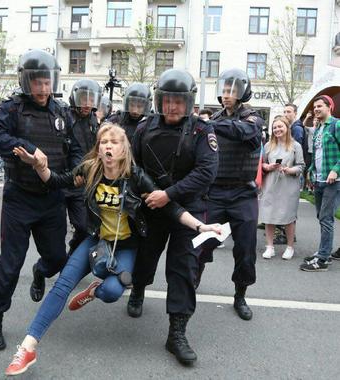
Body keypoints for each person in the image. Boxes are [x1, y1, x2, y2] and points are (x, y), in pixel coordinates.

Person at [3, 123, 221, 376]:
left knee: (112, 292)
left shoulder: (136, 177)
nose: (108, 145)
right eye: (103, 141)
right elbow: (58, 182)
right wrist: (40, 166)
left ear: (123, 148)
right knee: (62, 284)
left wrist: (200, 226)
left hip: (126, 246)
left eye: (114, 142)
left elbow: (170, 208)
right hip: (96, 240)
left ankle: (95, 290)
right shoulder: (89, 170)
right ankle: (28, 347)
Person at [0, 49, 81, 351]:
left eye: (46, 82)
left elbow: (74, 148)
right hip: (20, 199)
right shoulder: (12, 108)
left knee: (57, 260)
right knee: (10, 263)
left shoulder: (62, 111)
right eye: (36, 83)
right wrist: (25, 146)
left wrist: (76, 171)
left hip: (52, 198)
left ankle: (40, 271)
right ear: (26, 82)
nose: (42, 89)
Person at [127, 69, 219, 365]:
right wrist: (147, 193)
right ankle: (138, 289)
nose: (172, 106)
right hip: (151, 206)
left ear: (189, 102)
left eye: (179, 101)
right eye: (167, 100)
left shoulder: (203, 131)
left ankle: (176, 332)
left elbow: (206, 172)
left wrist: (170, 194)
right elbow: (133, 165)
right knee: (145, 258)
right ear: (159, 100)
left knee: (183, 269)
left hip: (188, 209)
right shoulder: (144, 127)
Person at [198, 68, 263, 321]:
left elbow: (244, 133)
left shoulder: (253, 118)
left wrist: (210, 123)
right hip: (214, 193)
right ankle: (193, 280)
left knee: (245, 250)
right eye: (224, 91)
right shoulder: (213, 118)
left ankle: (240, 295)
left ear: (242, 93)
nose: (227, 95)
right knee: (201, 243)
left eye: (232, 91)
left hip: (242, 195)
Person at [300, 95, 340, 272]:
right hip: (319, 180)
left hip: (333, 180)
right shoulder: (317, 129)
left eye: (320, 106)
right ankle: (324, 251)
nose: (316, 109)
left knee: (326, 218)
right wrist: (310, 172)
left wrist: (336, 170)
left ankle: (323, 258)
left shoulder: (336, 125)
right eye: (315, 107)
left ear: (329, 107)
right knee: (321, 217)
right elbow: (316, 154)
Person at [259, 116, 304, 260]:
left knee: (288, 216)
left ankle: (290, 246)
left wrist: (290, 170)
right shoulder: (267, 146)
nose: (277, 129)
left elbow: (301, 166)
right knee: (268, 215)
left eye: (280, 126)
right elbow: (261, 164)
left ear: (287, 128)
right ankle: (269, 246)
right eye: (275, 127)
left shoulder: (295, 146)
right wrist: (267, 166)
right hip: (270, 184)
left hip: (288, 185)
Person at [66, 78, 102, 254]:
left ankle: (73, 253)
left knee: (83, 225)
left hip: (83, 181)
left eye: (91, 99)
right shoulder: (64, 117)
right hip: (63, 179)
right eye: (83, 98)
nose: (87, 104)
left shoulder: (94, 121)